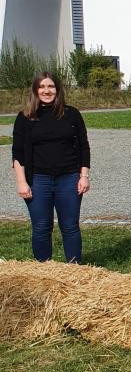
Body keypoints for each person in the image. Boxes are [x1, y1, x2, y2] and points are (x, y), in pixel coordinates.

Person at [12, 72, 90, 263]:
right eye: (42, 87)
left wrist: (84, 176)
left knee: (70, 226)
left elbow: (83, 146)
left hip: (69, 178)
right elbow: (18, 153)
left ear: (58, 89)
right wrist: (22, 182)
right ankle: (44, 271)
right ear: (35, 90)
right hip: (38, 180)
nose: (46, 91)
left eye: (51, 87)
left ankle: (74, 270)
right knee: (41, 227)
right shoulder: (25, 117)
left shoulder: (71, 114)